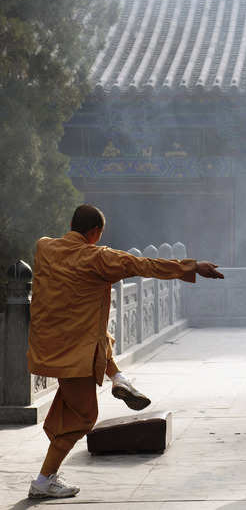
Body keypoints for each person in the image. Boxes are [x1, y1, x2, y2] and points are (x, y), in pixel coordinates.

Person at [26, 204, 224, 499]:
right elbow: (144, 265)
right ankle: (44, 479)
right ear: (95, 233)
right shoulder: (99, 258)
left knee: (97, 337)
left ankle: (118, 377)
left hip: (49, 346)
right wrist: (192, 266)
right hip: (77, 355)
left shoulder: (44, 248)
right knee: (83, 417)